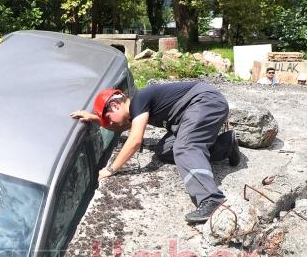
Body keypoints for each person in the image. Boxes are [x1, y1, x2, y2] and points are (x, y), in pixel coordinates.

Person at [71, 82, 241, 224]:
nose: (109, 123)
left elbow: (135, 140)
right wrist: (95, 119)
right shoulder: (137, 109)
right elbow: (123, 127)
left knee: (185, 147)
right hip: (192, 112)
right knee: (165, 150)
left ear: (115, 105)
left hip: (204, 101)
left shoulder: (140, 99)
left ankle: (212, 199)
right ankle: (226, 145)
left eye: (108, 118)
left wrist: (111, 169)